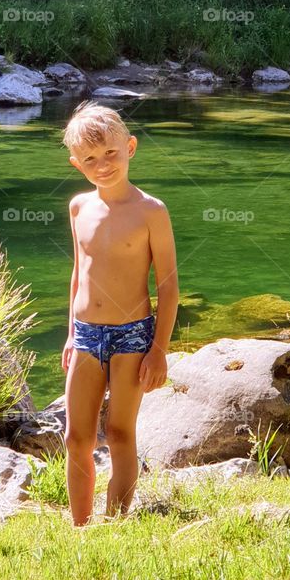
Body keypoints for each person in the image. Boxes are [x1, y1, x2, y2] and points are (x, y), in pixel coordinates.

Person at [61, 100, 179, 527]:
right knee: (76, 437)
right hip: (86, 334)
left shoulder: (151, 211)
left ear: (130, 147)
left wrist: (159, 349)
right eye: (90, 159)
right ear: (77, 164)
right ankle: (80, 526)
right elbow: (79, 273)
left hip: (133, 335)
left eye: (111, 152)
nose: (103, 165)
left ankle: (115, 523)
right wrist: (71, 333)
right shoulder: (79, 207)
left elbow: (168, 287)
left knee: (119, 432)